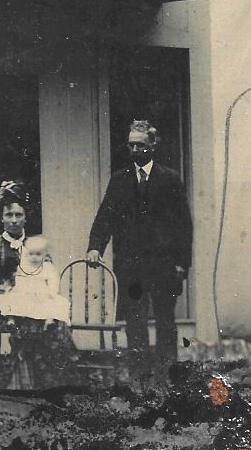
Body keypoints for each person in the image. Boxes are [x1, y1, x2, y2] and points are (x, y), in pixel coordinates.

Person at [86, 120, 193, 368]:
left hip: (164, 266)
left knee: (166, 320)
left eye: (140, 145)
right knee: (135, 321)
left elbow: (183, 226)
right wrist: (95, 246)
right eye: (131, 145)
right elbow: (105, 217)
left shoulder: (170, 180)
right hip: (131, 267)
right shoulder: (119, 180)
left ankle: (168, 376)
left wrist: (181, 263)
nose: (135, 150)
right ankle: (140, 378)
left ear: (152, 145)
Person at [0, 182, 76, 390]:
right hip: (4, 302)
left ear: (25, 217)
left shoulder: (36, 246)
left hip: (36, 301)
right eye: (9, 215)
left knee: (56, 325)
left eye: (18, 215)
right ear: (1, 218)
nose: (14, 220)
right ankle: (12, 385)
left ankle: (52, 385)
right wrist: (4, 290)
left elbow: (49, 275)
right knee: (7, 323)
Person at [0, 236, 70, 325]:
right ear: (27, 255)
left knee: (55, 303)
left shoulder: (47, 267)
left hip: (42, 294)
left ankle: (49, 321)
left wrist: (52, 292)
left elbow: (54, 280)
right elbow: (19, 279)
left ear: (44, 255)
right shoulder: (24, 267)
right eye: (31, 254)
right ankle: (11, 320)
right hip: (25, 292)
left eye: (38, 254)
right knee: (10, 300)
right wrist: (18, 289)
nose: (34, 257)